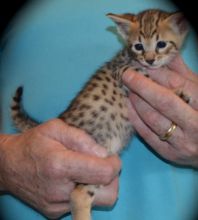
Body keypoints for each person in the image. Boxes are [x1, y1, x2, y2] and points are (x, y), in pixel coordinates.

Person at [0, 0, 198, 220]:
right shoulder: (130, 66)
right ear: (125, 34)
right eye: (139, 47)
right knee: (92, 154)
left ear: (181, 28)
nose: (150, 57)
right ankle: (82, 200)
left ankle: (82, 197)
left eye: (160, 46)